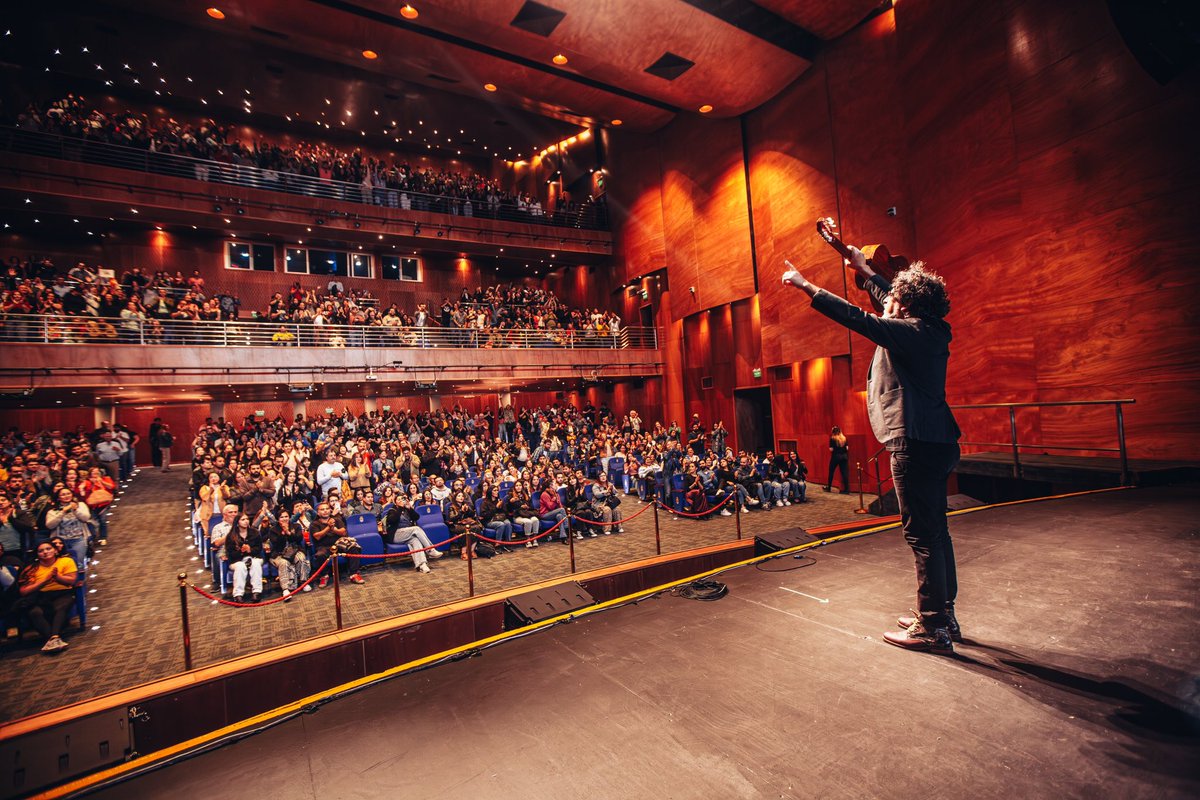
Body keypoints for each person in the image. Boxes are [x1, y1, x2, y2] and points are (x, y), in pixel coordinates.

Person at [783, 249, 961, 654]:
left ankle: (932, 626)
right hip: (938, 440)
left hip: (913, 441)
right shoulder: (927, 328)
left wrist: (806, 285)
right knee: (937, 532)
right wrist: (861, 268)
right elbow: (884, 298)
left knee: (922, 535)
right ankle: (943, 612)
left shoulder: (907, 332)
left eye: (896, 297)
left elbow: (859, 318)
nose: (888, 301)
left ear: (908, 303)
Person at [15, 541, 78, 652]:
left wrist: (57, 577)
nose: (45, 552)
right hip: (39, 596)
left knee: (61, 607)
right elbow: (24, 591)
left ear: (55, 550)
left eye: (48, 549)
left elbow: (72, 581)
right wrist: (44, 581)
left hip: (62, 593)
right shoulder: (31, 568)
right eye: (41, 551)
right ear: (37, 554)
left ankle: (53, 638)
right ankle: (54, 638)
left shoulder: (66, 561)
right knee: (35, 612)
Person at [265, 508, 310, 598]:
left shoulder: (296, 526)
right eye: (282, 517)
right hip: (279, 553)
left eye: (286, 516)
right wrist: (283, 533)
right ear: (278, 519)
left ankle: (304, 582)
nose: (284, 519)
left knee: (300, 558)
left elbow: (299, 539)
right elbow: (275, 543)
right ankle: (285, 589)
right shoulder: (273, 529)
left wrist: (288, 532)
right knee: (284, 563)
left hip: (295, 550)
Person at [225, 512, 264, 603]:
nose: (246, 521)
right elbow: (230, 553)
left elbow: (259, 549)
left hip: (254, 557)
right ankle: (238, 594)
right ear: (237, 522)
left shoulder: (255, 533)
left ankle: (257, 592)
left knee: (255, 563)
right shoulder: (231, 536)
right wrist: (241, 552)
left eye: (247, 519)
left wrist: (250, 550)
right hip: (237, 560)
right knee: (240, 566)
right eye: (243, 520)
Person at [826, 426, 850, 494]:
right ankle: (846, 489)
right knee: (844, 473)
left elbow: (831, 449)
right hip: (844, 457)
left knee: (831, 471)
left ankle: (829, 487)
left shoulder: (832, 439)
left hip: (836, 457)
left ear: (833, 432)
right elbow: (847, 448)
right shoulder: (844, 438)